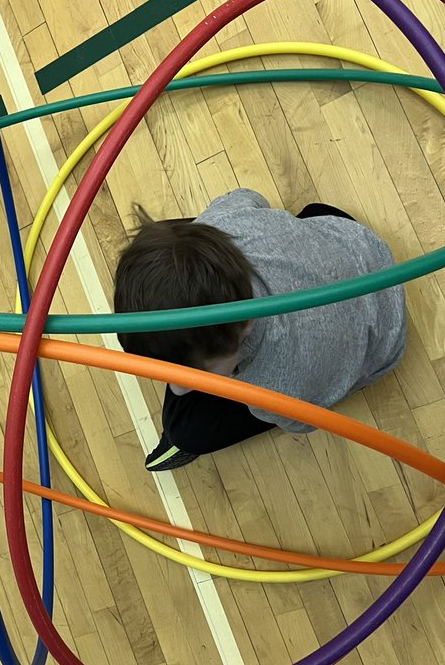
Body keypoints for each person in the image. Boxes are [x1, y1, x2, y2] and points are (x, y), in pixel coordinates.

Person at [113, 189, 407, 470]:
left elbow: (302, 420)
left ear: (246, 326)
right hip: (350, 240)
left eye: (196, 374)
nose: (177, 387)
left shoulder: (281, 378)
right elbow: (249, 196)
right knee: (176, 250)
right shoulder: (223, 223)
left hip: (379, 337)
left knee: (185, 431)